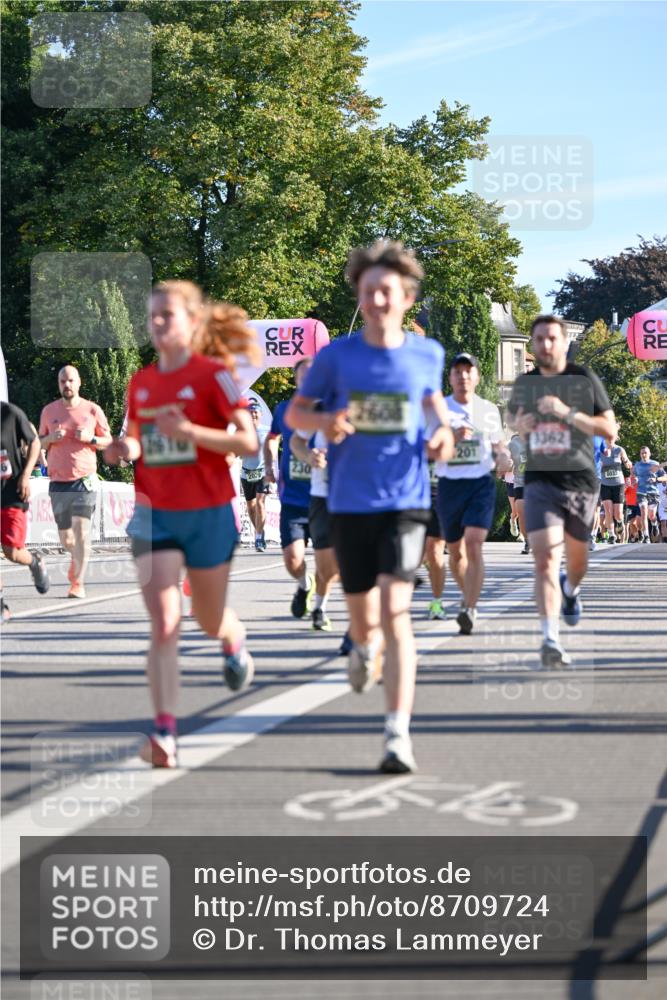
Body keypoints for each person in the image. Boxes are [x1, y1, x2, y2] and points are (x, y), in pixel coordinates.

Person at [286, 240, 454, 774]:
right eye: (368, 292)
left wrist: (443, 435)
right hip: (349, 502)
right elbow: (296, 414)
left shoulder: (427, 355)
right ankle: (361, 647)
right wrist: (324, 424)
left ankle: (397, 734)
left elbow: (432, 408)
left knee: (396, 613)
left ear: (405, 296)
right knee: (364, 621)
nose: (378, 300)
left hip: (405, 500)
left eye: (387, 291)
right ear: (360, 298)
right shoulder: (336, 357)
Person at [104, 280, 260, 768]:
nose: (157, 324)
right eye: (152, 316)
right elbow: (135, 439)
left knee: (206, 620)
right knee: (165, 622)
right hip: (155, 514)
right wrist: (120, 450)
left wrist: (190, 431)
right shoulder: (141, 382)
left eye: (166, 315)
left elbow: (249, 443)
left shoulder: (216, 376)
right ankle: (165, 731)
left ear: (192, 323)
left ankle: (232, 639)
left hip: (210, 513)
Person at [507, 315, 617, 668]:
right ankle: (549, 638)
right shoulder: (526, 383)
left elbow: (608, 428)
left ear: (564, 342)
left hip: (581, 482)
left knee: (578, 561)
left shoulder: (583, 379)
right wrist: (520, 425)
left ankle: (571, 589)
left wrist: (566, 413)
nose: (545, 345)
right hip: (541, 482)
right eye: (538, 339)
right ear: (533, 344)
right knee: (546, 560)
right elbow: (513, 420)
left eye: (552, 338)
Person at [434, 353, 512, 635]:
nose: (463, 377)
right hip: (449, 485)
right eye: (458, 372)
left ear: (477, 377)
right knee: (455, 552)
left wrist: (504, 457)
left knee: (474, 543)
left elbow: (499, 444)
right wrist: (450, 438)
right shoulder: (440, 409)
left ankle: (469, 606)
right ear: (450, 377)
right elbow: (427, 449)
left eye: (469, 372)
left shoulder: (488, 410)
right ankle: (466, 593)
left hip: (480, 482)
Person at [38, 366, 112, 597]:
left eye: (70, 380)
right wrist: (50, 438)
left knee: (81, 532)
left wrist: (90, 438)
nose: (66, 385)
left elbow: (108, 440)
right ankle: (76, 556)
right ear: (58, 384)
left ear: (79, 382)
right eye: (62, 381)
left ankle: (78, 584)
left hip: (84, 480)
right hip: (58, 482)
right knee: (66, 538)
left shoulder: (92, 410)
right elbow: (38, 443)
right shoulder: (49, 411)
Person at [263, 358, 315, 619]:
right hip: (293, 498)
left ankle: (324, 603)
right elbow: (272, 438)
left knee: (335, 562)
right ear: (295, 379)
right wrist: (270, 466)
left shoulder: (331, 410)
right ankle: (305, 585)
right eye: (303, 376)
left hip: (325, 499)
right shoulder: (284, 410)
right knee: (293, 561)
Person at [1, 401, 50, 618]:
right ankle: (2, 606)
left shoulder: (10, 413)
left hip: (12, 493)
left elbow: (35, 442)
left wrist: (25, 475)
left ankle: (34, 561)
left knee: (12, 552)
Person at [289, 423, 339, 631]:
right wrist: (309, 456)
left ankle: (320, 610)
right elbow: (296, 442)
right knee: (328, 567)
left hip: (359, 497)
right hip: (323, 497)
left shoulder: (366, 401)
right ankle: (319, 605)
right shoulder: (318, 409)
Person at [240, 402, 270, 551]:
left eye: (255, 412)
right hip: (246, 473)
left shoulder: (267, 431)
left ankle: (259, 538)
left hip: (262, 472)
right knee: (251, 508)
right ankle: (260, 531)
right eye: (250, 412)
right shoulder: (242, 432)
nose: (253, 415)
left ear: (260, 414)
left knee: (260, 503)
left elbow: (272, 450)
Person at [599, 434, 632, 543]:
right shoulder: (600, 450)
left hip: (618, 483)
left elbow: (628, 465)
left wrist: (627, 462)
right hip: (605, 484)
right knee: (608, 511)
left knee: (617, 513)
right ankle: (612, 534)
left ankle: (619, 522)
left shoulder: (619, 449)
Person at [633, 446, 666, 543]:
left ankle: (654, 523)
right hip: (641, 492)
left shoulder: (655, 464)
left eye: (645, 453)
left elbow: (665, 477)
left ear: (649, 454)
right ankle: (646, 535)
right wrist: (635, 479)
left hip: (653, 492)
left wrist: (656, 479)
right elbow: (634, 475)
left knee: (651, 515)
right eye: (642, 453)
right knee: (643, 511)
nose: (643, 455)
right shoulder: (637, 465)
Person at [508, 432, 529, 554]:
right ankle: (527, 541)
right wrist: (507, 464)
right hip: (520, 482)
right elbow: (506, 461)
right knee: (521, 511)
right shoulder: (513, 443)